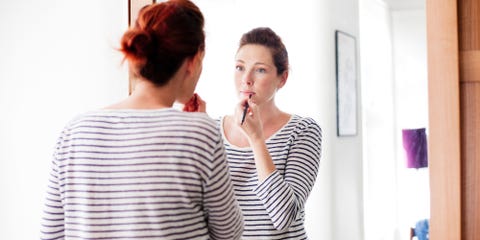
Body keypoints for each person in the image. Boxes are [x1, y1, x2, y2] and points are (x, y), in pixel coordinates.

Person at [40, 1, 243, 239]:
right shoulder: (201, 132)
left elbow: (50, 234)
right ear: (193, 60)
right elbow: (229, 233)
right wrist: (197, 130)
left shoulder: (75, 131)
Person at [218, 27, 322, 239]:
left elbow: (284, 217)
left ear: (282, 79)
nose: (246, 79)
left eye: (260, 70)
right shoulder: (213, 130)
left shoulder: (303, 131)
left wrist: (256, 139)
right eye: (239, 67)